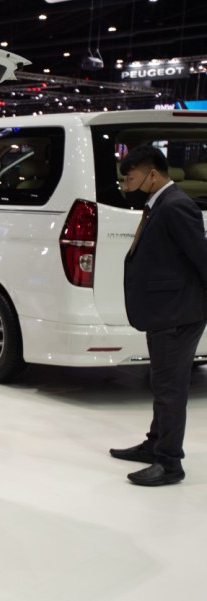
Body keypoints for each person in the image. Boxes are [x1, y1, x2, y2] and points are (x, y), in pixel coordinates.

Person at [111, 145, 207, 486]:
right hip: (166, 312)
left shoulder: (176, 206)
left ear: (152, 175)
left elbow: (203, 259)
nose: (126, 184)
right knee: (162, 383)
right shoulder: (160, 204)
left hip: (177, 314)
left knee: (170, 389)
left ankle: (169, 462)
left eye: (130, 178)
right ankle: (155, 444)